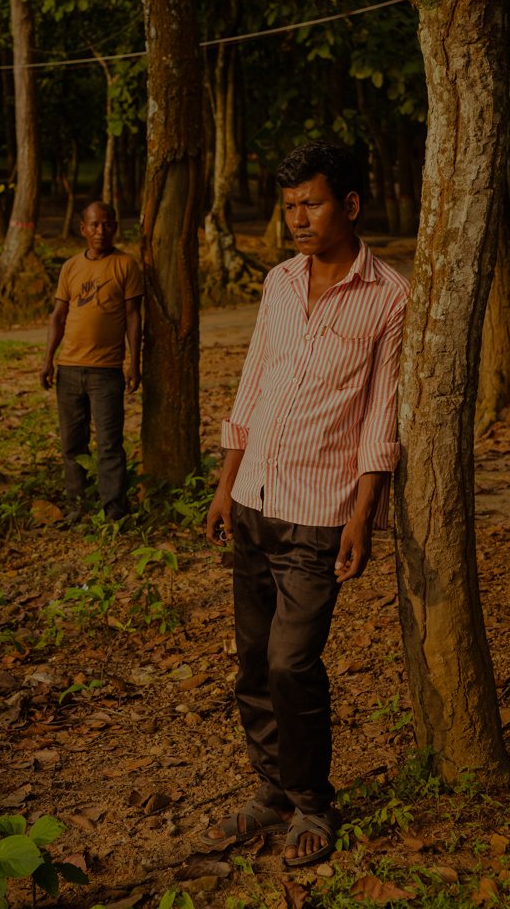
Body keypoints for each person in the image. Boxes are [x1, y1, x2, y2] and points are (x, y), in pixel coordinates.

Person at [202, 141, 409, 867]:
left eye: (311, 203)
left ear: (349, 205)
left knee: (294, 663)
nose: (297, 217)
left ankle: (314, 803)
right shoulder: (279, 284)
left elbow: (382, 416)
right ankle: (271, 795)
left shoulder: (390, 296)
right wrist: (227, 485)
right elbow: (252, 384)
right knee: (254, 663)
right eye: (289, 205)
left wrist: (362, 516)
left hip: (321, 514)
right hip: (255, 498)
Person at [40, 201, 143, 521]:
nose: (102, 231)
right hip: (69, 369)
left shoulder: (126, 265)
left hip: (106, 372)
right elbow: (58, 316)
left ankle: (114, 511)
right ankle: (76, 507)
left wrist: (134, 363)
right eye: (95, 225)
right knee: (73, 444)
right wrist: (48, 360)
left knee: (110, 445)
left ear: (115, 228)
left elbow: (133, 317)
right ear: (83, 229)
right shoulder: (70, 267)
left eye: (108, 224)